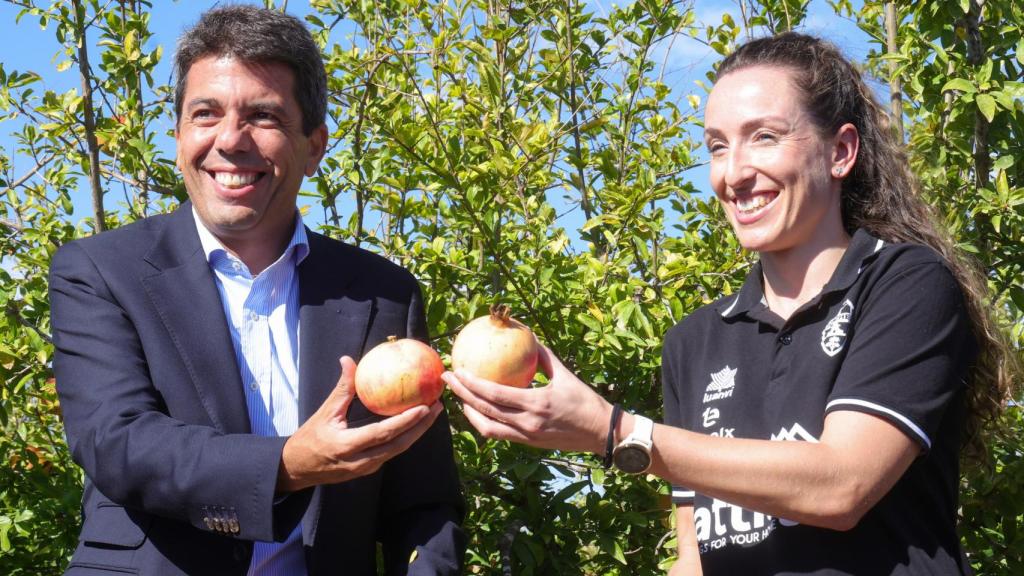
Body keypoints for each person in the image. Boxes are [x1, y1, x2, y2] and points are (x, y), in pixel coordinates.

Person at [445, 32, 1015, 575]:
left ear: (841, 151)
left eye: (764, 136)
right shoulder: (694, 343)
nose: (734, 174)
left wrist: (613, 430)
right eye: (718, 146)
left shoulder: (906, 284)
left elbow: (842, 484)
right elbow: (697, 550)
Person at [49, 6, 464, 575]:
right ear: (177, 137)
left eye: (263, 116)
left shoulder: (382, 294)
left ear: (314, 146)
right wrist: (287, 464)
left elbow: (423, 502)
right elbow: (117, 444)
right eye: (205, 113)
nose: (229, 140)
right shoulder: (99, 271)